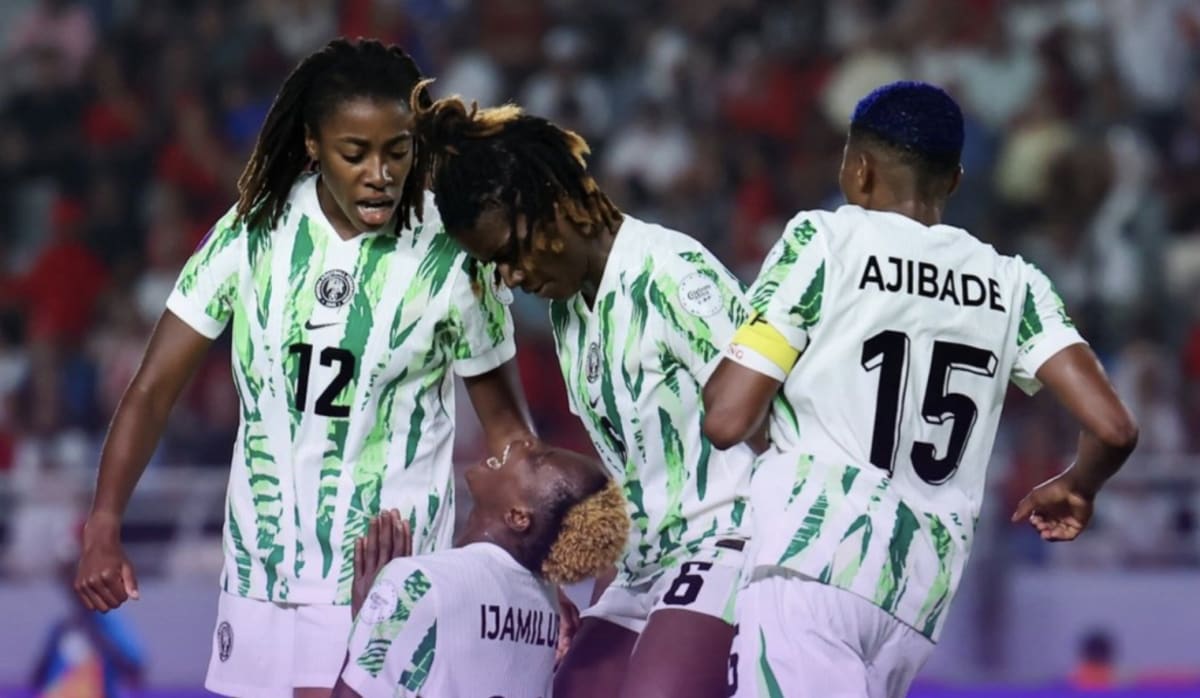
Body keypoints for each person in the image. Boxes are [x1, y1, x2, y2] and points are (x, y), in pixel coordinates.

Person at [73, 38, 537, 698]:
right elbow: (152, 390)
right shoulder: (252, 230)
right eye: (356, 153)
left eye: (398, 151)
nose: (380, 172)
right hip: (257, 573)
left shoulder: (453, 254)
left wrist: (529, 572)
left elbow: (508, 433)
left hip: (383, 576)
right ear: (315, 145)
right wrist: (104, 524)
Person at [702, 81, 1139, 697]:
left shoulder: (827, 241)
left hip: (812, 559)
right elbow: (1115, 428)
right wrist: (1077, 483)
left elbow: (726, 416)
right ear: (955, 180)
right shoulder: (1014, 283)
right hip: (917, 594)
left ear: (858, 170)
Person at [412, 93, 757, 698]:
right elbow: (633, 470)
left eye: (512, 251)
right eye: (496, 267)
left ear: (556, 204)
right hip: (643, 560)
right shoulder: (571, 314)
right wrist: (599, 572)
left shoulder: (672, 276)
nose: (513, 277)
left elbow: (772, 420)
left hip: (727, 542)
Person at [331, 439, 629, 698]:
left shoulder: (417, 583)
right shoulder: (547, 607)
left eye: (537, 460)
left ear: (518, 516)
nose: (526, 444)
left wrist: (369, 618)